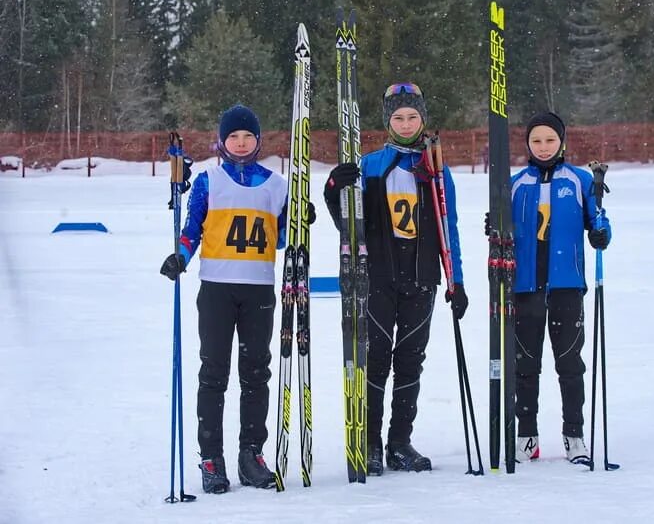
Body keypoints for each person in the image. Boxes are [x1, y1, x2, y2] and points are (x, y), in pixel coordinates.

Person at [160, 104, 315, 494]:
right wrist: (180, 256)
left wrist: (299, 217)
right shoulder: (209, 181)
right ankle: (212, 457)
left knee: (256, 374)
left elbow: (281, 239)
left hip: (259, 289)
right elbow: (192, 227)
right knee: (213, 373)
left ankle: (252, 453)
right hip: (216, 289)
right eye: (234, 137)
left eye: (248, 137)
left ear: (258, 141)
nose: (241, 144)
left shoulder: (277, 185)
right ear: (222, 140)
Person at [323, 83, 469, 476]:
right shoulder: (371, 165)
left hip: (422, 277)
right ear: (387, 121)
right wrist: (333, 189)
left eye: (412, 117)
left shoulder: (435, 168)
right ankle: (370, 442)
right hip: (379, 277)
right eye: (398, 118)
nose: (406, 124)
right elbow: (349, 226)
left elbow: (447, 226)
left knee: (410, 362)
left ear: (423, 119)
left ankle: (399, 442)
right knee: (375, 361)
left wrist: (457, 281)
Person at [487, 111, 611, 465]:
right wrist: (493, 224)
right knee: (525, 365)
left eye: (550, 140)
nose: (543, 147)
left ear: (562, 142)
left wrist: (601, 233)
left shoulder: (580, 180)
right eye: (536, 141)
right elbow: (502, 231)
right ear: (527, 143)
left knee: (569, 363)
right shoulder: (514, 183)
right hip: (524, 286)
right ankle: (526, 434)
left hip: (566, 285)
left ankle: (574, 435)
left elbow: (599, 224)